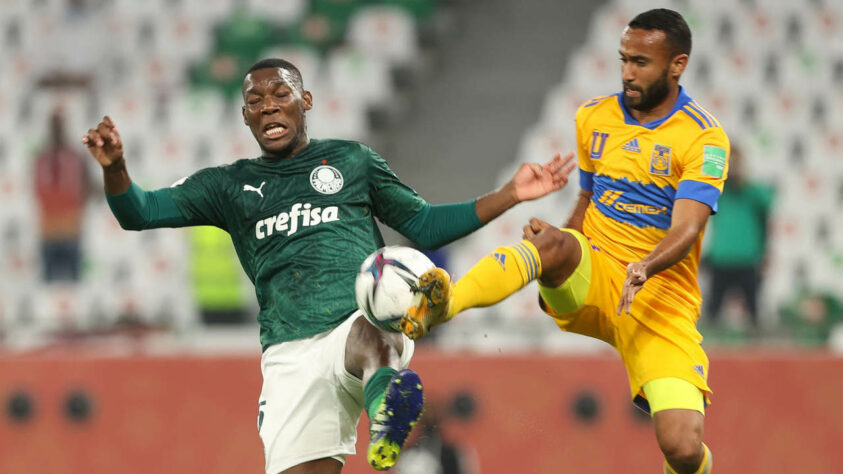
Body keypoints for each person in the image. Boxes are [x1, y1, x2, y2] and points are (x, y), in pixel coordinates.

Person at [82, 58, 575, 474]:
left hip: (356, 324)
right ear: (245, 117)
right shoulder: (227, 185)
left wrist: (510, 194)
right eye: (256, 101)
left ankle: (389, 413)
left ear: (307, 101)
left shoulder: (351, 161)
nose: (269, 105)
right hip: (289, 351)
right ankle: (385, 400)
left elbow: (423, 226)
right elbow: (139, 213)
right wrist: (115, 168)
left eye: (282, 93)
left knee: (373, 326)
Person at [402, 9, 727, 474]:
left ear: (677, 65)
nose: (628, 73)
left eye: (641, 62)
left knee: (681, 446)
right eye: (623, 60)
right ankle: (444, 305)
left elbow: (688, 227)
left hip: (661, 302)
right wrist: (554, 253)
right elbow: (589, 197)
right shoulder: (594, 117)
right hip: (596, 275)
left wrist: (645, 267)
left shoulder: (704, 137)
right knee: (551, 241)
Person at [703, 144, 773, 333]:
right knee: (713, 310)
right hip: (721, 257)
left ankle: (757, 349)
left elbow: (767, 205)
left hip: (746, 258)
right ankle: (711, 347)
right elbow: (704, 186)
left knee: (753, 311)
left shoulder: (751, 192)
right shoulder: (719, 191)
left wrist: (743, 177)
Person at [34, 107, 91, 282]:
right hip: (48, 228)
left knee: (74, 283)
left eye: (59, 125)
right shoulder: (42, 158)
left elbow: (89, 184)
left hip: (70, 226)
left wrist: (79, 203)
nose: (56, 130)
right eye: (54, 125)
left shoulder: (75, 156)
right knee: (48, 285)